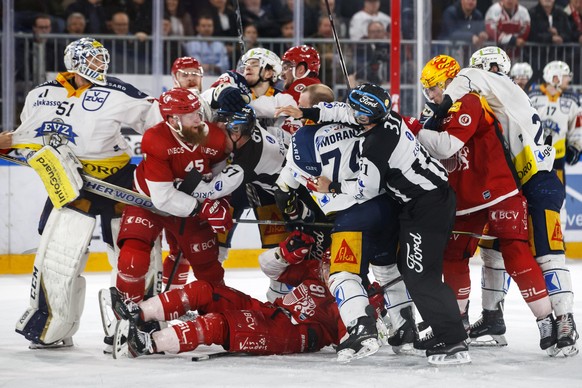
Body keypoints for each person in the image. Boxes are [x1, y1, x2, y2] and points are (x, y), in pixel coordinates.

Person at [299, 83, 471, 365]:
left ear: (367, 117)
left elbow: (365, 189)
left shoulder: (375, 146)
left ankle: (454, 341)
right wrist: (308, 112)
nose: (350, 111)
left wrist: (331, 186)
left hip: (426, 206)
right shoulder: (387, 118)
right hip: (426, 200)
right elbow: (343, 112)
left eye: (357, 110)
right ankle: (448, 331)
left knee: (419, 275)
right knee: (411, 270)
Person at [7, 37, 161, 349]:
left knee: (135, 253)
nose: (100, 64)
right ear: (73, 62)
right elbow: (23, 136)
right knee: (58, 256)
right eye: (91, 59)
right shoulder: (41, 94)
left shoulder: (119, 91)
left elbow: (157, 124)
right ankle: (53, 325)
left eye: (101, 58)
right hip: (70, 182)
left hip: (118, 183)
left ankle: (139, 324)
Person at [434, 46, 578, 357]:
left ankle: (565, 320)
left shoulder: (488, 81)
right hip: (520, 186)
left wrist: (437, 110)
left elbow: (464, 81)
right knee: (493, 252)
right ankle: (492, 318)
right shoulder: (507, 94)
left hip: (538, 182)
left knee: (548, 253)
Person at [275, 84, 416, 361]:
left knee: (342, 275)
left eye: (302, 105)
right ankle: (406, 332)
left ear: (313, 108)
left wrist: (294, 213)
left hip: (352, 216)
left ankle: (361, 331)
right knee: (387, 269)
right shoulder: (359, 121)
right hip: (387, 207)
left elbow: (283, 189)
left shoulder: (301, 139)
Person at [108, 230, 387, 359]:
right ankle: (137, 312)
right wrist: (284, 254)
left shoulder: (353, 299)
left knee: (217, 326)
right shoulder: (313, 272)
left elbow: (349, 340)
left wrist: (370, 312)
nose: (327, 269)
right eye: (326, 262)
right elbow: (269, 268)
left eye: (333, 264)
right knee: (204, 290)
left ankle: (145, 344)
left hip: (289, 335)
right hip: (267, 309)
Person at [114, 88, 233, 307]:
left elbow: (221, 180)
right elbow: (163, 197)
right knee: (133, 260)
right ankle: (128, 313)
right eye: (191, 115)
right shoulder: (156, 138)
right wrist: (203, 208)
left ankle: (219, 315)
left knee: (210, 269)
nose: (199, 118)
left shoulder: (215, 138)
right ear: (172, 119)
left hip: (190, 204)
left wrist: (220, 202)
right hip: (147, 203)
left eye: (198, 111)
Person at [529, 60, 582, 184]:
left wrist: (576, 146)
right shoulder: (532, 97)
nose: (568, 79)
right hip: (534, 157)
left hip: (558, 158)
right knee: (534, 198)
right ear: (555, 77)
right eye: (565, 76)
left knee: (558, 200)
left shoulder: (572, 100)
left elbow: (577, 127)